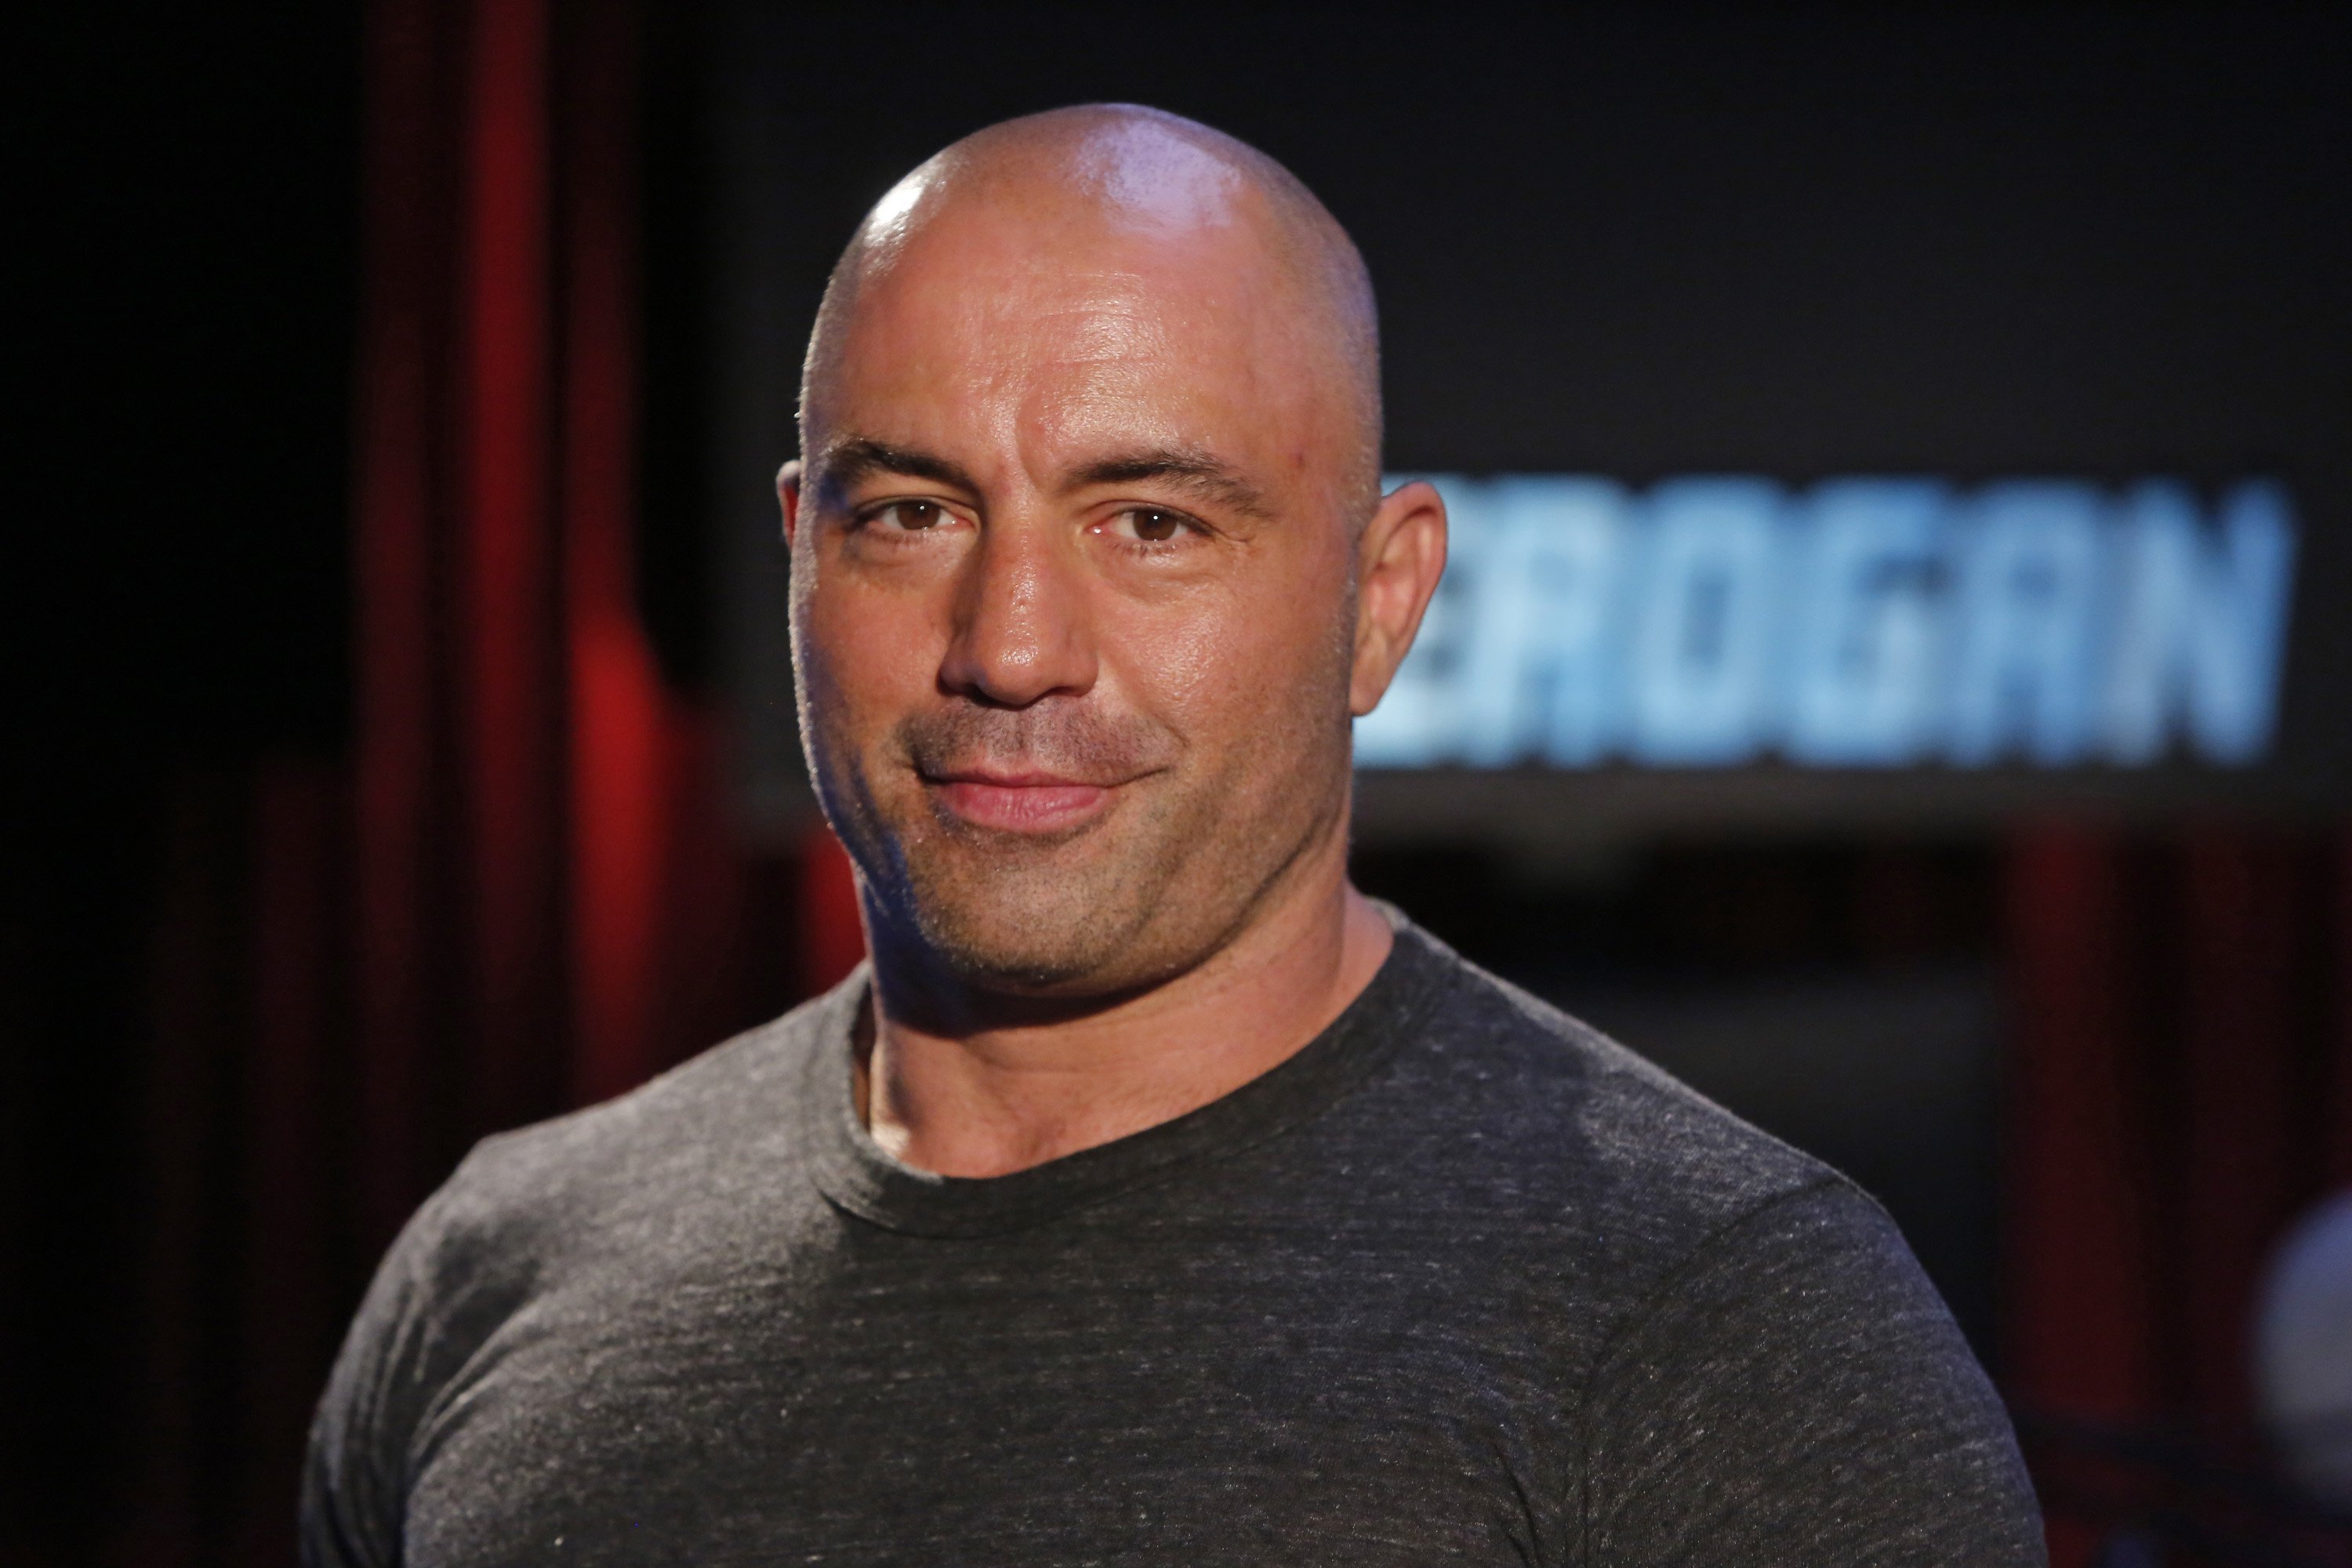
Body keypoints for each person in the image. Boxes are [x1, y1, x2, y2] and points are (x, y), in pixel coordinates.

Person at [303, 104, 2045, 1565]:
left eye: (1150, 522)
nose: (1012, 648)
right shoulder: (498, 1274)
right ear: (798, 563)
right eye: (910, 514)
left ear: (1380, 603)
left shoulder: (1727, 1333)